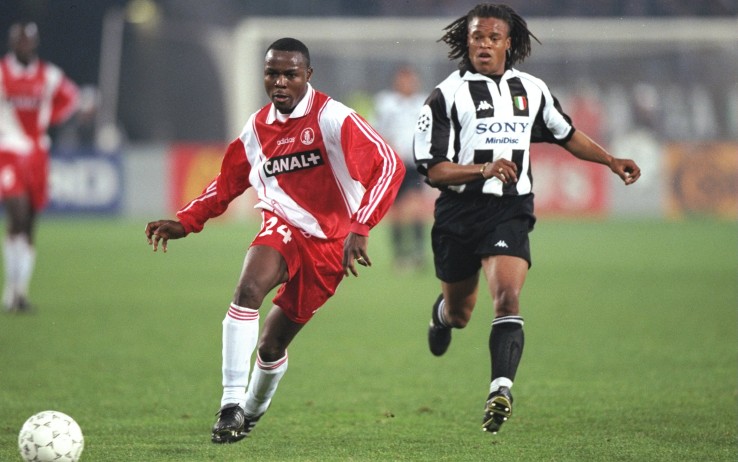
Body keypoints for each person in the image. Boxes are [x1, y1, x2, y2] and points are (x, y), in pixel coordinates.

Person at [145, 37, 404, 444]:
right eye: (272, 73)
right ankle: (230, 403)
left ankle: (251, 409)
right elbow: (226, 182)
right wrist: (187, 221)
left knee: (271, 345)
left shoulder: (333, 118)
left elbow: (388, 165)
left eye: (290, 74)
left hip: (329, 245)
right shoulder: (257, 127)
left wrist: (360, 225)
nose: (280, 82)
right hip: (283, 224)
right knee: (248, 288)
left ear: (308, 76)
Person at [414, 3, 641, 435]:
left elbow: (566, 134)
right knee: (462, 312)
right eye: (477, 36)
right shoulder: (445, 96)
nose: (483, 44)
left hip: (509, 210)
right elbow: (432, 168)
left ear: (509, 43)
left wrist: (611, 160)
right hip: (459, 213)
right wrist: (483, 169)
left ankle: (500, 389)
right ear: (467, 40)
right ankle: (441, 315)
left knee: (507, 299)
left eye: (492, 38)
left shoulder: (531, 89)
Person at [0, 21, 79, 312]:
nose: (23, 45)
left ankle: (20, 291)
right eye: (18, 40)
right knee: (16, 216)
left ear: (33, 43)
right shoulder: (2, 73)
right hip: (8, 151)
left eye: (27, 41)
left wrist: (51, 118)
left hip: (37, 153)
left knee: (30, 221)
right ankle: (10, 289)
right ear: (12, 42)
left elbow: (72, 98)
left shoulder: (48, 75)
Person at [372, 65, 429, 270]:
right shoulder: (385, 103)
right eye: (403, 79)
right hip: (393, 165)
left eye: (410, 79)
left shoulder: (424, 103)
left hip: (414, 164)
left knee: (414, 207)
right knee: (395, 211)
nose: (407, 83)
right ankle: (399, 255)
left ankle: (417, 253)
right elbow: (376, 131)